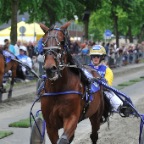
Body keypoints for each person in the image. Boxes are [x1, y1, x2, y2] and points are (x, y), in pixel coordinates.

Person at [87, 44, 129, 115]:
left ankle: (121, 108)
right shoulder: (86, 68)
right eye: (93, 56)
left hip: (102, 90)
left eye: (98, 56)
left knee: (109, 94)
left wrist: (98, 79)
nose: (95, 58)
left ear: (102, 57)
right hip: (88, 89)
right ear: (91, 57)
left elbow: (107, 85)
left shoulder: (107, 70)